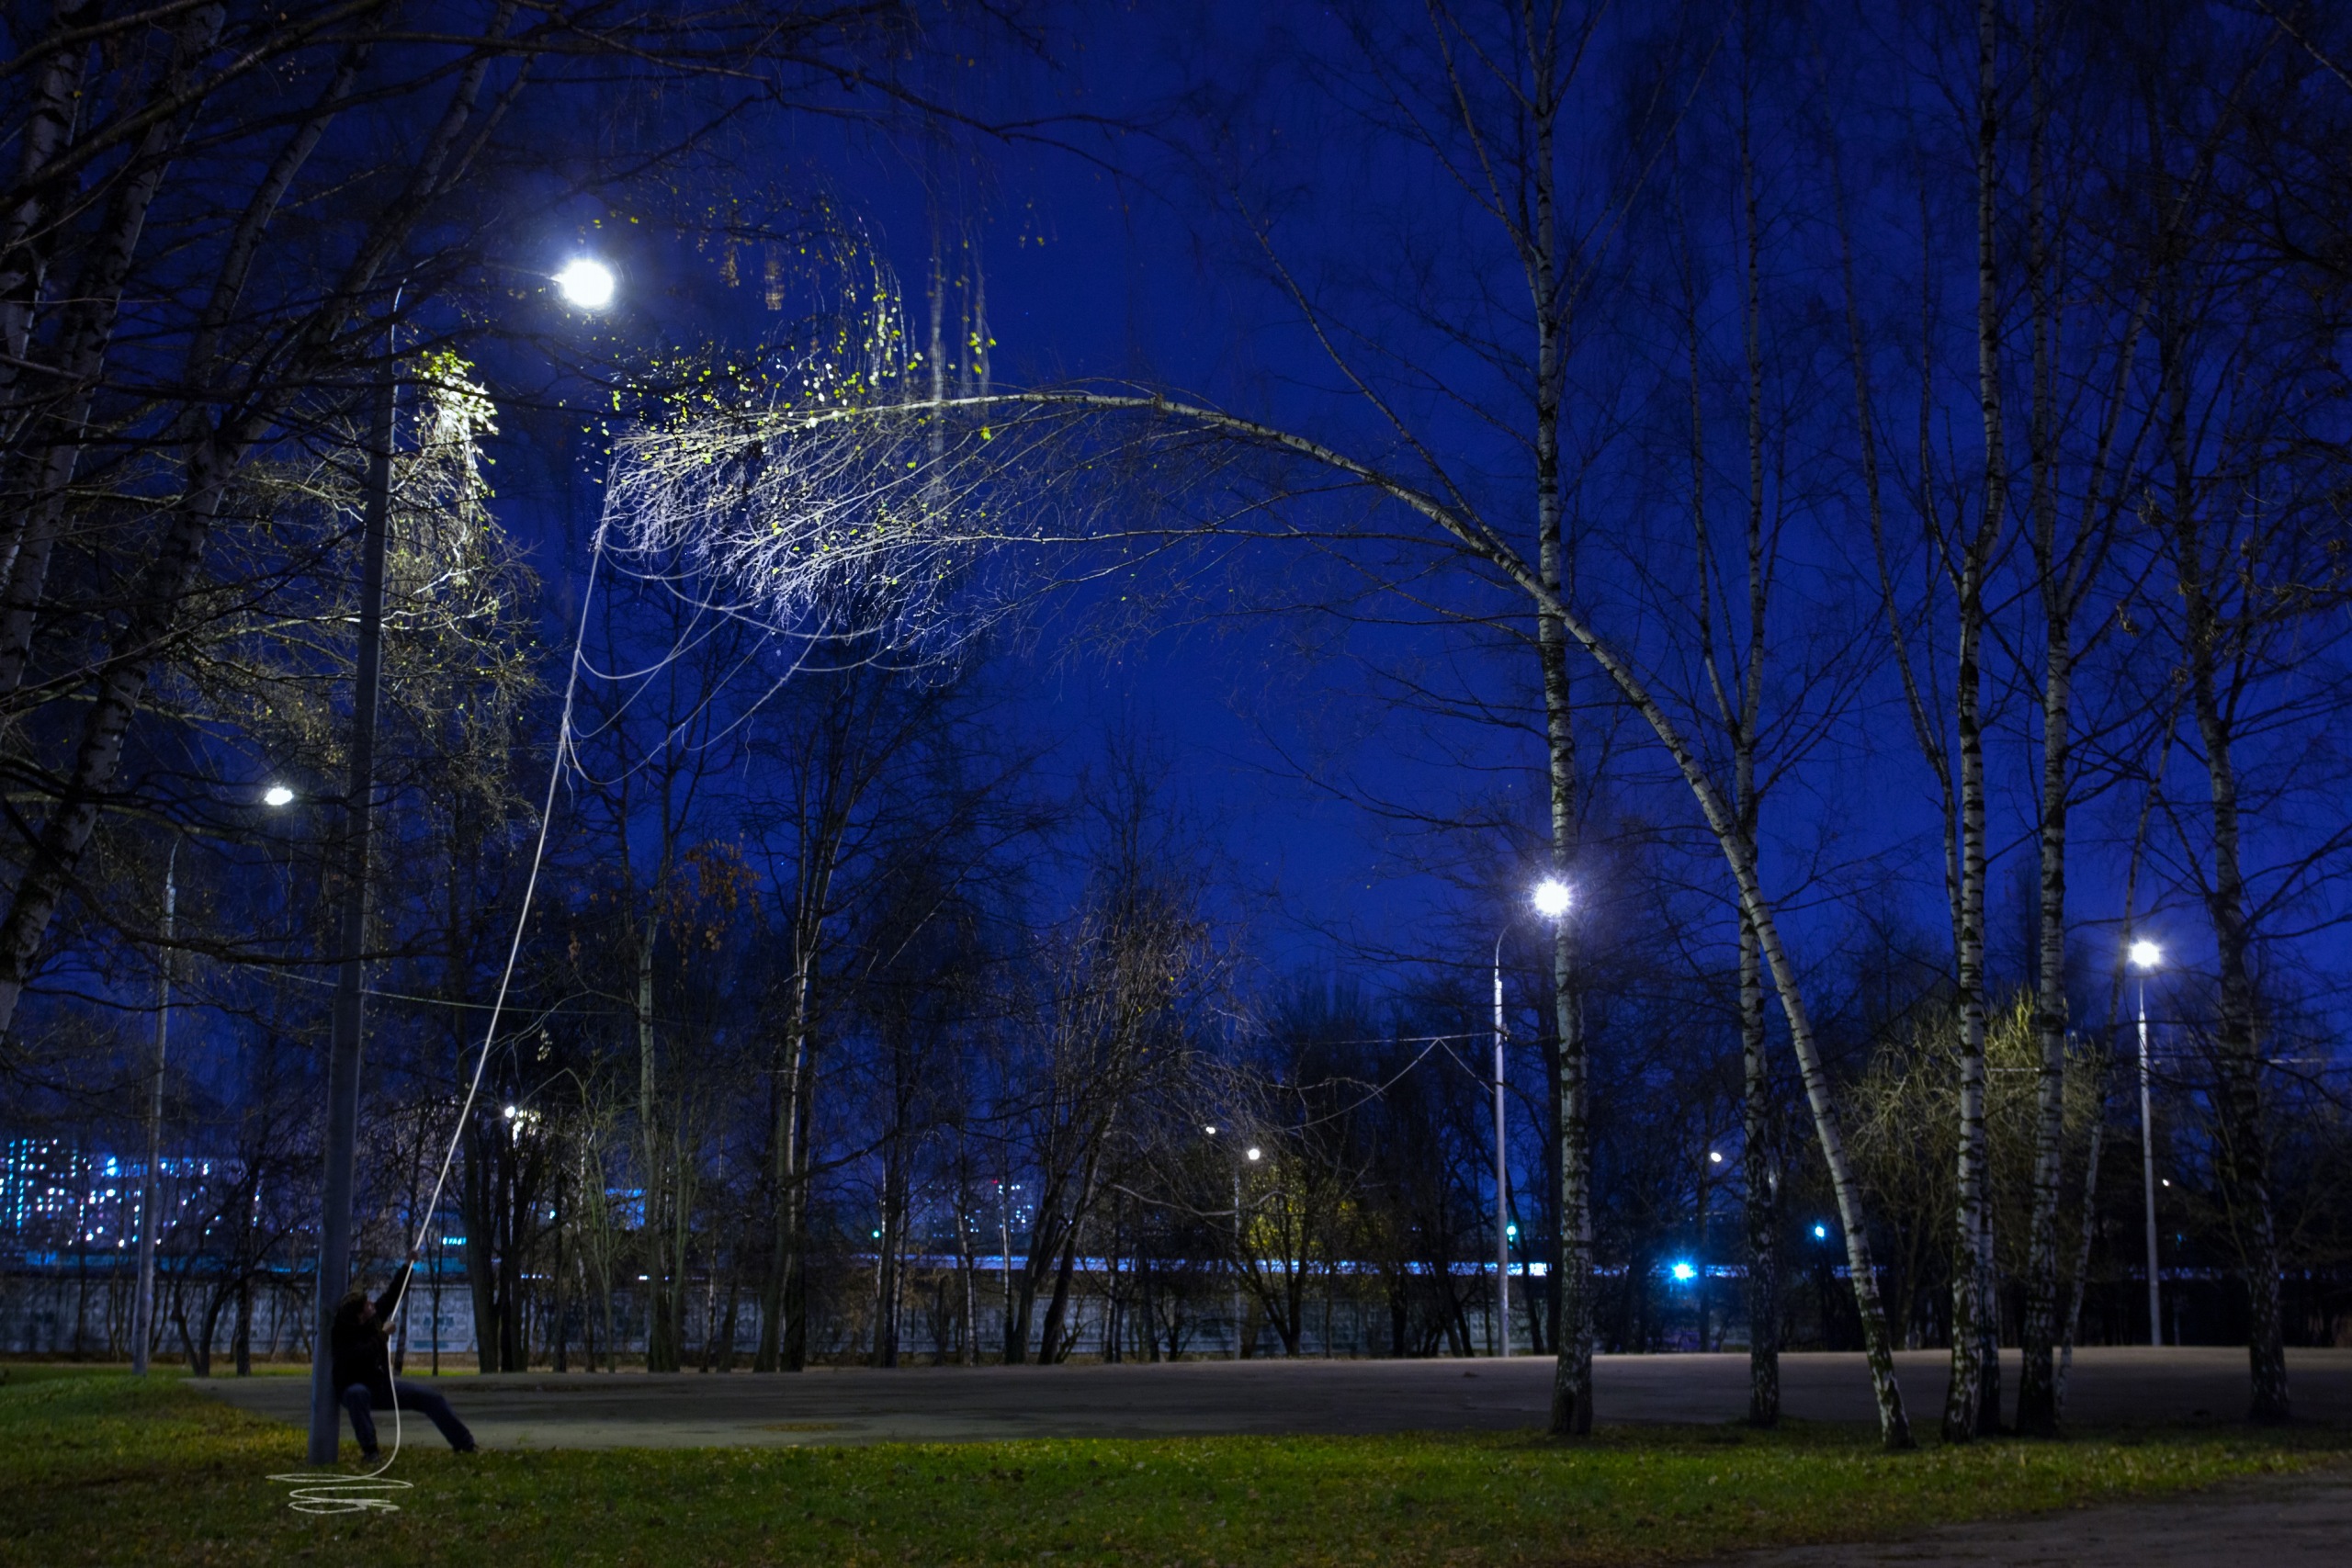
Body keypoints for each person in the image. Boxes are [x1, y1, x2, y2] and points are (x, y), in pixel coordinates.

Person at [332, 1246, 476, 1459]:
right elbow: (359, 1356)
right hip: (354, 1387)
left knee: (431, 1398)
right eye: (367, 1305)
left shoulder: (373, 1318)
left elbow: (393, 1295)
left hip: (380, 1386)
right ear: (359, 1316)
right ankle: (370, 1451)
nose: (372, 1305)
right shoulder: (343, 1334)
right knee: (357, 1394)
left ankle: (465, 1444)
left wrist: (408, 1265)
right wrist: (382, 1336)